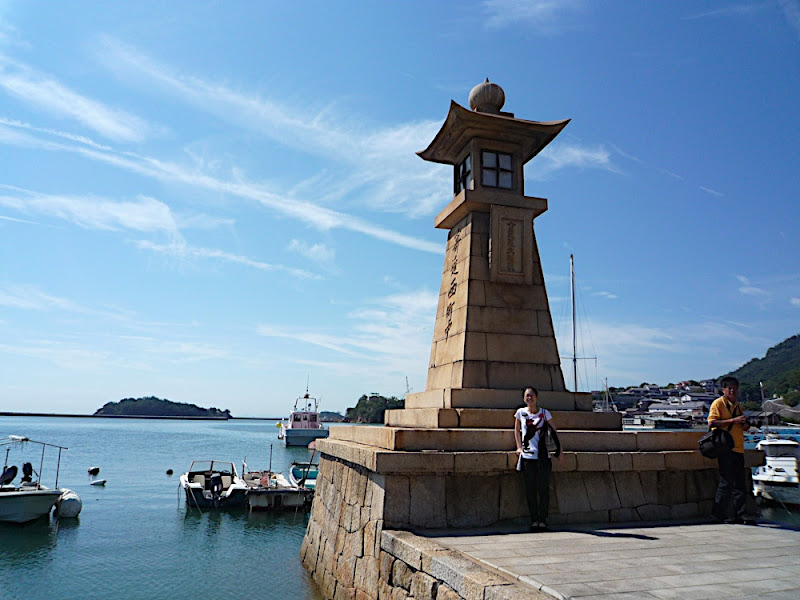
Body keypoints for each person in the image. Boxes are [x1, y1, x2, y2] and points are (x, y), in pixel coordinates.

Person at [707, 376, 755, 525]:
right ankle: (717, 515)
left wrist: (746, 424)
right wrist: (733, 421)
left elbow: (743, 426)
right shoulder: (718, 403)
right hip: (725, 448)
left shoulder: (738, 406)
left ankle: (740, 514)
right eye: (729, 388)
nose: (732, 391)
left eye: (735, 388)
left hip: (738, 448)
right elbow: (712, 422)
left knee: (740, 484)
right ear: (723, 389)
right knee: (726, 482)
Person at [514, 387, 561, 531]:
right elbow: (516, 430)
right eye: (527, 396)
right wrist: (519, 447)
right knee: (530, 489)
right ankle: (534, 519)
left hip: (543, 456)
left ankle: (542, 519)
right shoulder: (520, 413)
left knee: (543, 489)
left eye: (532, 395)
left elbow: (554, 432)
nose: (530, 398)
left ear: (537, 398)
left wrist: (560, 451)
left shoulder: (545, 413)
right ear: (524, 398)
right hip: (528, 456)